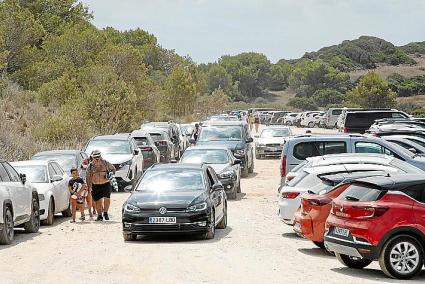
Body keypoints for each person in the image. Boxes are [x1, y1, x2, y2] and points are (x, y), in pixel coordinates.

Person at [87, 150, 116, 221]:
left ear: (100, 156)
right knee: (97, 201)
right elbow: (88, 176)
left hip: (106, 183)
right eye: (95, 157)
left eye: (98, 157)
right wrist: (89, 187)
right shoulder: (90, 165)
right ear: (93, 157)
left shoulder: (105, 163)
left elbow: (113, 169)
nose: (97, 158)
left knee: (107, 198)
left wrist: (110, 175)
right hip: (95, 185)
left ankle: (105, 212)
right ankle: (99, 215)